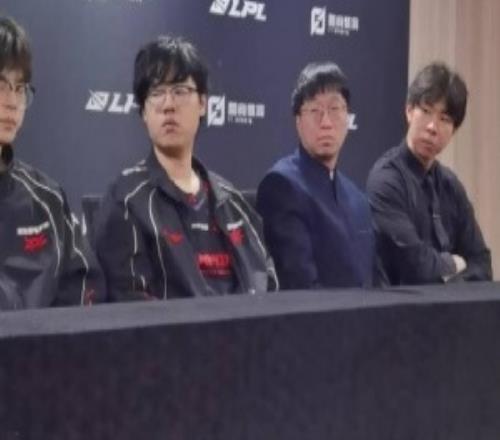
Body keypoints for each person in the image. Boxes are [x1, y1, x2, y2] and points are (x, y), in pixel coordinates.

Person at [95, 35, 278, 301]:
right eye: (156, 93)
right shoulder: (125, 201)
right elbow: (130, 308)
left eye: (180, 91)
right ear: (144, 111)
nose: (168, 105)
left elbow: (269, 287)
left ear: (203, 103)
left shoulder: (232, 202)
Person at [0, 16, 104, 309]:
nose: (11, 101)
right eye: (1, 85)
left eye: (19, 88)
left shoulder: (47, 199)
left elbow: (86, 285)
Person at [366, 62, 492, 285]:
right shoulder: (386, 180)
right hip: (403, 306)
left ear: (454, 129)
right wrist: (455, 264)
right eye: (426, 111)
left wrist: (450, 281)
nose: (432, 127)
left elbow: (482, 263)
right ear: (409, 111)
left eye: (445, 119)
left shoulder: (451, 185)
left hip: (455, 307)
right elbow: (416, 267)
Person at [256, 62, 374, 289]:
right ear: (298, 121)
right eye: (315, 111)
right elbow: (301, 287)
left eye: (335, 109)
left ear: (348, 118)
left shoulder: (358, 199)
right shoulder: (282, 185)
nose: (326, 122)